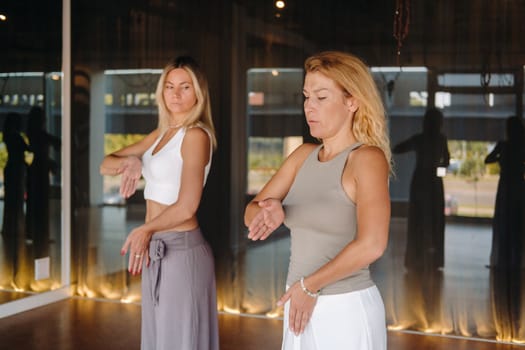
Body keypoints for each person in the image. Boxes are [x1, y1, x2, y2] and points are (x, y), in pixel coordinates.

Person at [245, 51, 391, 350]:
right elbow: (251, 212)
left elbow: (373, 244)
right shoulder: (302, 156)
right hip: (298, 301)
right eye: (306, 97)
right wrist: (269, 214)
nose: (309, 107)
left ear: (352, 101)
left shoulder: (367, 159)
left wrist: (308, 287)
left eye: (321, 97)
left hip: (344, 308)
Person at [99, 56, 219, 350]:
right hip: (156, 249)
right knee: (158, 341)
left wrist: (143, 230)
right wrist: (131, 160)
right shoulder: (162, 134)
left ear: (198, 94)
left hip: (181, 251)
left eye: (185, 87)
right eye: (169, 86)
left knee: (180, 341)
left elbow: (187, 206)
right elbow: (105, 164)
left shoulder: (196, 136)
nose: (175, 94)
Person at [393, 107, 450, 272]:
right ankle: (433, 260)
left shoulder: (420, 139)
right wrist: (437, 166)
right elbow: (446, 161)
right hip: (434, 181)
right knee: (434, 220)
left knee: (418, 219)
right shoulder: (440, 139)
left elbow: (398, 148)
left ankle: (416, 259)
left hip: (420, 181)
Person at [484, 115, 525, 270]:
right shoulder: (521, 145)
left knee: (505, 222)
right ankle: (517, 261)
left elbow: (487, 160)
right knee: (517, 223)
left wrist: (501, 157)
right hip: (518, 185)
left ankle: (503, 260)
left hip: (506, 185)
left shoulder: (503, 145)